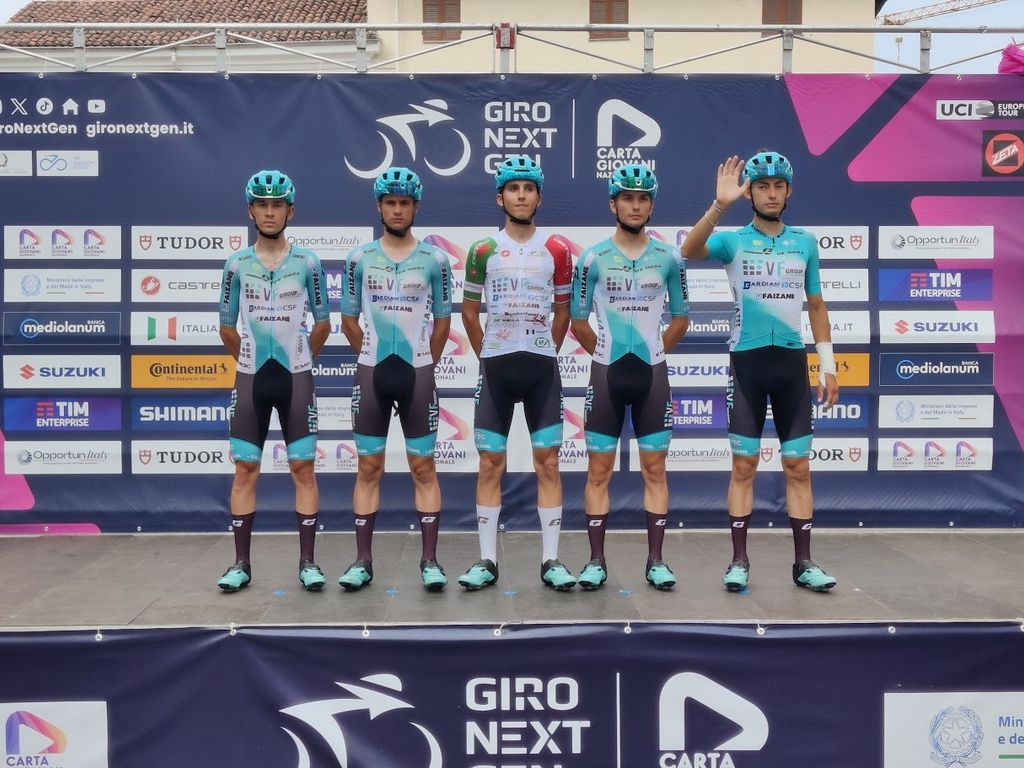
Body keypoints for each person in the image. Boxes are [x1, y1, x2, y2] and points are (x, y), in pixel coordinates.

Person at [680, 151, 840, 593]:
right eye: (762, 186)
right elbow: (689, 250)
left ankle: (804, 563)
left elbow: (817, 305)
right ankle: (738, 561)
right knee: (744, 465)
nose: (771, 194)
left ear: (789, 191)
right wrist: (719, 205)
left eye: (778, 186)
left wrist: (828, 365)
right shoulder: (734, 241)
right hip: (746, 366)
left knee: (798, 467)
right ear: (749, 192)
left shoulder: (805, 242)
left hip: (791, 365)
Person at [457, 156, 576, 592]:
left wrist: (546, 349)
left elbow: (563, 311)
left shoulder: (557, 250)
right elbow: (469, 312)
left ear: (539, 198)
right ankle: (487, 560)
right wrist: (488, 354)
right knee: (491, 462)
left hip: (542, 368)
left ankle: (551, 560)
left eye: (528, 189)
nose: (521, 196)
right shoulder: (482, 250)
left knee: (549, 462)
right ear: (500, 198)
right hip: (497, 368)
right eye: (513, 188)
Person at [569, 163, 689, 591]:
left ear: (651, 205)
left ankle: (656, 561)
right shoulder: (592, 258)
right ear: (613, 204)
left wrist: (653, 353)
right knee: (598, 471)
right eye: (627, 198)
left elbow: (681, 319)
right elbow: (578, 321)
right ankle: (595, 561)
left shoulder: (670, 257)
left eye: (642, 198)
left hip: (652, 376)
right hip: (606, 374)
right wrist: (607, 355)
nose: (635, 206)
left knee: (655, 469)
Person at [338, 167, 452, 592]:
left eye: (405, 203)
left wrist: (423, 361)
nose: (398, 209)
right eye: (391, 202)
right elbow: (349, 320)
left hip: (418, 374)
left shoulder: (435, 259)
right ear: (379, 207)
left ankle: (430, 560)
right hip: (372, 373)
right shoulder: (359, 258)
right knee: (368, 467)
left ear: (416, 207)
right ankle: (362, 561)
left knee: (424, 467)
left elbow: (443, 321)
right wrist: (371, 355)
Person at [217, 170, 331, 592]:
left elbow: (323, 323)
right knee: (245, 469)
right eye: (262, 205)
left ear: (290, 212)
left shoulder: (308, 263)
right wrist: (250, 360)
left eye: (277, 205)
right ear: (251, 211)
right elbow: (226, 327)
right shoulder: (236, 264)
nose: (269, 212)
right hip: (250, 379)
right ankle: (240, 564)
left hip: (296, 378)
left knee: (303, 468)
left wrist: (299, 359)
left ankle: (308, 562)